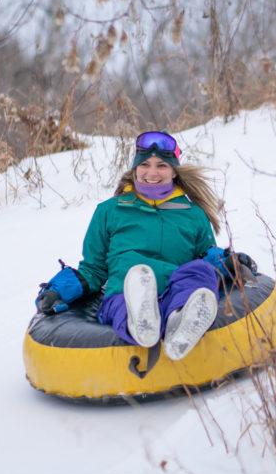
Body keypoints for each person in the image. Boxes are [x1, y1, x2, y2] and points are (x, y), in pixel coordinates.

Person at [34, 130, 249, 361]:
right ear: (135, 168)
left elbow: (205, 256)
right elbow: (93, 270)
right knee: (133, 286)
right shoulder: (109, 211)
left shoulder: (193, 215)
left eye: (162, 166)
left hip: (172, 289)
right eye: (145, 164)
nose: (152, 173)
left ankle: (180, 320)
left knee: (201, 270)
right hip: (124, 291)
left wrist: (229, 261)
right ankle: (140, 322)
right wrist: (57, 290)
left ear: (174, 171)